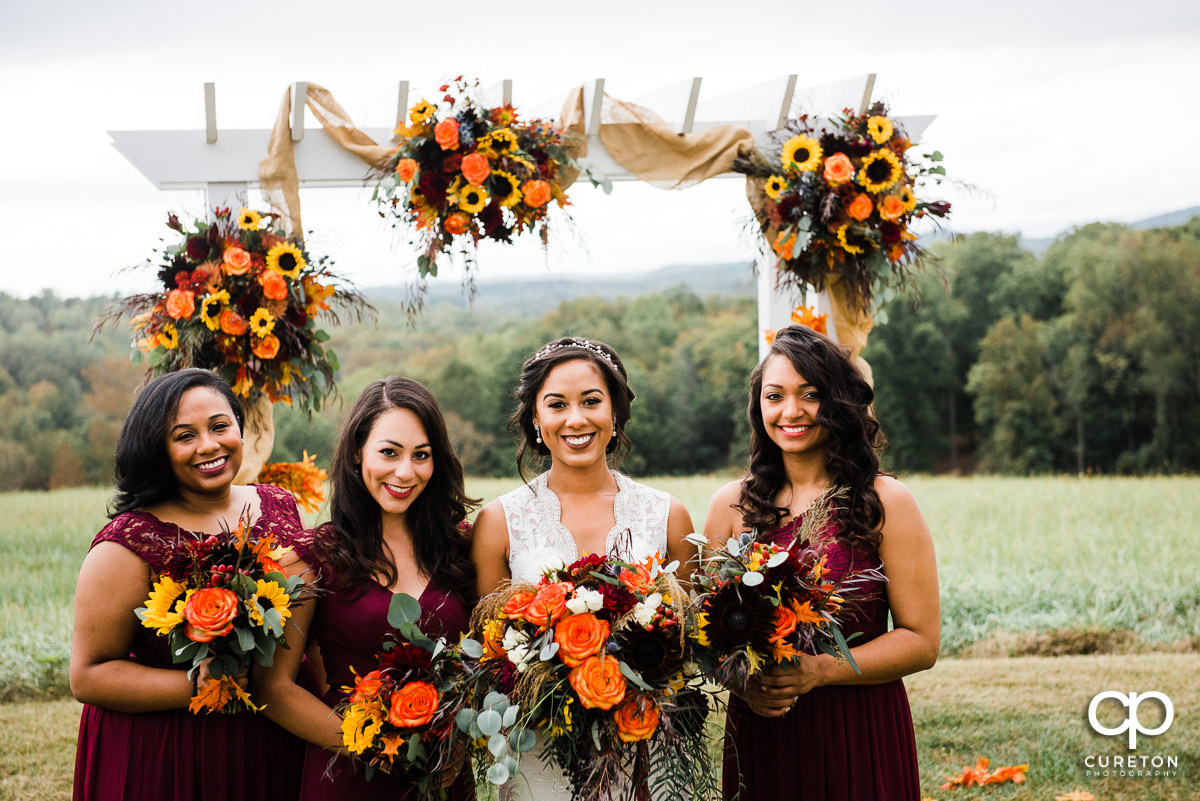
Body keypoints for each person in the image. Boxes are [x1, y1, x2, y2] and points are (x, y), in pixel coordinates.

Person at [704, 324, 940, 801]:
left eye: (809, 394)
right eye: (775, 396)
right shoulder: (729, 507)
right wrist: (746, 687)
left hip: (860, 726)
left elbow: (921, 642)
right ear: (759, 408)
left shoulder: (885, 501)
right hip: (762, 730)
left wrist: (822, 669)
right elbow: (706, 637)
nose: (790, 411)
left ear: (839, 402)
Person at [471, 336, 698, 799]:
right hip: (542, 757)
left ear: (614, 412)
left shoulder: (667, 515)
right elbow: (490, 655)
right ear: (536, 420)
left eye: (591, 401)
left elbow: (689, 644)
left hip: (647, 753)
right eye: (557, 405)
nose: (576, 419)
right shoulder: (500, 521)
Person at [70, 368, 308, 801]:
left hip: (277, 735)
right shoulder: (128, 543)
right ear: (157, 448)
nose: (209, 446)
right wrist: (200, 685)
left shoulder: (281, 505)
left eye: (220, 426)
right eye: (185, 436)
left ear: (240, 427)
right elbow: (87, 676)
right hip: (172, 751)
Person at [255, 376, 478, 801]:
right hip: (349, 774)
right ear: (358, 453)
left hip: (444, 776)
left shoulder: (462, 549)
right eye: (389, 452)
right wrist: (376, 748)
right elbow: (274, 687)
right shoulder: (310, 559)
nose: (405, 472)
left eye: (421, 456)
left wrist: (460, 739)